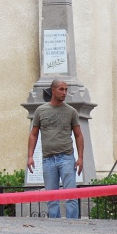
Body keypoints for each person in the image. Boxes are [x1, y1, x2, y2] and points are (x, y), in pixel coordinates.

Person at [27, 78, 84, 219]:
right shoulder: (41, 111)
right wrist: (30, 156)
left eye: (66, 89)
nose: (64, 92)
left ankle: (73, 226)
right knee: (52, 197)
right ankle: (55, 227)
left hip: (66, 157)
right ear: (53, 90)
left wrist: (81, 158)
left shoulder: (71, 112)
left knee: (71, 196)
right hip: (48, 159)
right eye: (61, 89)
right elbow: (33, 134)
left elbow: (78, 135)